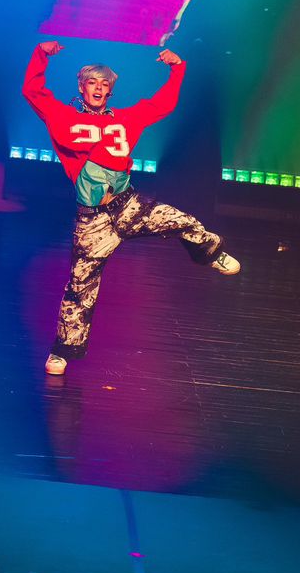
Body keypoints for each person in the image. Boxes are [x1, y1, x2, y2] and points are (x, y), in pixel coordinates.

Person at [23, 40, 239, 375]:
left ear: (110, 91)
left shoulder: (126, 119)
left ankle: (211, 253)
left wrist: (177, 68)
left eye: (104, 84)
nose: (98, 88)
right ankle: (62, 351)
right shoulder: (62, 116)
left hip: (129, 205)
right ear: (81, 87)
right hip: (92, 220)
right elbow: (33, 91)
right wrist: (41, 55)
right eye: (92, 82)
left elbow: (163, 104)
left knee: (182, 220)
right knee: (80, 287)